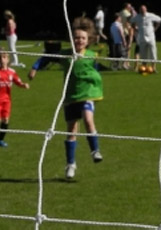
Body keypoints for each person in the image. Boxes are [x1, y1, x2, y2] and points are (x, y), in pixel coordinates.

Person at [28, 16, 104, 178]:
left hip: (87, 95)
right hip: (70, 97)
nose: (79, 40)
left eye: (83, 38)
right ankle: (71, 164)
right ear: (71, 39)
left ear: (88, 39)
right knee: (71, 130)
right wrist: (35, 68)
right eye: (76, 37)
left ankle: (95, 151)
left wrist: (95, 81)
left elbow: (97, 70)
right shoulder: (65, 54)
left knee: (88, 119)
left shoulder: (92, 55)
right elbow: (46, 58)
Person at [0, 49, 30, 147]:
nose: (2, 59)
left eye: (4, 57)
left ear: (8, 59)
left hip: (6, 101)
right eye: (0, 57)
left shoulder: (11, 72)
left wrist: (23, 85)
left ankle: (0, 139)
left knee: (5, 120)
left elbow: (18, 82)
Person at [130, 4, 161, 72]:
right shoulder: (137, 17)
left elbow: (159, 19)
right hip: (142, 38)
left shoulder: (150, 15)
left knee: (153, 52)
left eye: (143, 10)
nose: (142, 11)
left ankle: (154, 68)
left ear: (146, 10)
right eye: (141, 10)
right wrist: (135, 28)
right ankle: (144, 68)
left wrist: (155, 28)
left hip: (151, 37)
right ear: (139, 11)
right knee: (143, 54)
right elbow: (131, 21)